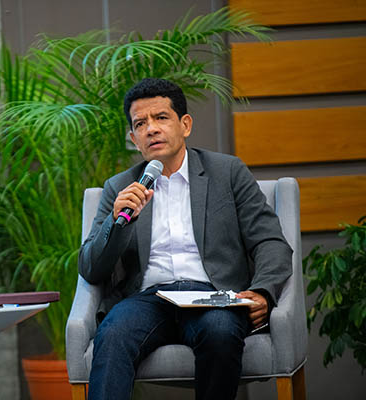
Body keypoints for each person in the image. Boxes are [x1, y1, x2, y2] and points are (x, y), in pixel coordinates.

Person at [78, 78, 292, 400]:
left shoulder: (227, 172)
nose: (151, 129)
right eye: (140, 124)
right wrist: (117, 221)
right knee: (113, 334)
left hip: (213, 295)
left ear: (185, 124)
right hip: (147, 298)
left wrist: (263, 291)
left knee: (220, 332)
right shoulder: (120, 187)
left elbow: (269, 241)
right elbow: (91, 268)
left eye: (161, 117)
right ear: (133, 138)